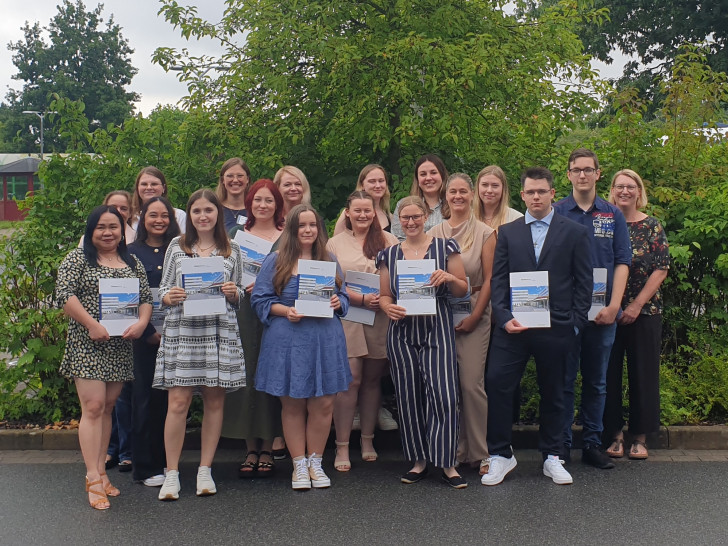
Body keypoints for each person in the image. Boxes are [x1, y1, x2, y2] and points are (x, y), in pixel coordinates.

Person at [481, 167, 592, 486]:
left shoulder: (573, 232)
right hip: (513, 327)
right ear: (522, 195)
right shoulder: (509, 232)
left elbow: (584, 283)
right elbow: (498, 280)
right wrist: (502, 317)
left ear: (552, 193)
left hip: (557, 328)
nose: (536, 197)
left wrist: (575, 324)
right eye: (530, 192)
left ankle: (553, 456)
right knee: (498, 384)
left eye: (542, 191)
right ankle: (501, 454)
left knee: (556, 392)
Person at [55, 205, 153, 509]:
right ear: (91, 230)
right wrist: (91, 324)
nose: (108, 232)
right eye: (101, 227)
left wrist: (140, 323)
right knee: (94, 407)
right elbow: (64, 294)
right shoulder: (77, 258)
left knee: (109, 407)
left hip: (120, 345)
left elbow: (146, 299)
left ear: (122, 230)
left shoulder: (130, 261)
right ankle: (92, 477)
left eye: (114, 227)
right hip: (88, 342)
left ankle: (101, 472)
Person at [153, 188, 246, 501]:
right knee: (178, 402)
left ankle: (205, 469)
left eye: (209, 210)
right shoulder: (177, 247)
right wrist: (168, 296)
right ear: (189, 216)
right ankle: (173, 473)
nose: (203, 216)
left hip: (219, 332)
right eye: (197, 211)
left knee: (214, 401)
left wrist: (234, 292)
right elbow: (163, 289)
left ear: (218, 213)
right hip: (183, 331)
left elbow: (240, 295)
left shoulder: (232, 249)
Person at [251, 204, 351, 490]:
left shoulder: (329, 258)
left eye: (313, 225)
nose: (308, 230)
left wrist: (337, 302)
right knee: (293, 403)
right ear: (291, 230)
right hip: (288, 338)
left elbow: (343, 297)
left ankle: (316, 462)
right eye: (301, 226)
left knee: (324, 403)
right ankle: (298, 465)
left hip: (325, 339)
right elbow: (260, 300)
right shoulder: (276, 259)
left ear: (320, 229)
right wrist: (285, 311)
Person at [377, 196, 469, 488]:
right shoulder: (388, 254)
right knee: (408, 395)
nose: (411, 222)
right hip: (402, 330)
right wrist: (386, 307)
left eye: (416, 216)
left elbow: (463, 288)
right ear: (399, 221)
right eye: (405, 218)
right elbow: (384, 295)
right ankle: (418, 461)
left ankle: (447, 462)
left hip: (437, 327)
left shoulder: (445, 247)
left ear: (426, 216)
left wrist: (449, 279)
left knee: (443, 394)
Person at [553, 148, 631, 469]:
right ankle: (562, 446)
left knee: (597, 382)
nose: (582, 175)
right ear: (568, 174)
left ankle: (592, 444)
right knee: (565, 380)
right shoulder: (556, 212)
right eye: (576, 170)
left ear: (599, 174)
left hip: (603, 314)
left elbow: (623, 262)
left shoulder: (612, 214)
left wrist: (615, 306)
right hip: (566, 314)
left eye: (588, 169)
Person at [429, 173, 496, 475]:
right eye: (452, 192)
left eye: (463, 192)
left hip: (474, 311)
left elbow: (491, 279)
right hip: (439, 314)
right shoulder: (434, 232)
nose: (457, 197)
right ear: (445, 196)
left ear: (472, 195)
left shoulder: (485, 232)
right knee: (446, 386)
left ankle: (480, 452)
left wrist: (475, 316)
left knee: (470, 384)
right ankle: (454, 448)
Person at [327, 191, 399, 471]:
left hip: (380, 318)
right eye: (356, 210)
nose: (362, 215)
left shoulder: (389, 240)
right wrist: (358, 298)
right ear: (347, 212)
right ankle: (342, 445)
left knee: (372, 381)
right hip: (349, 317)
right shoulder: (334, 243)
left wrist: (383, 298)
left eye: (367, 210)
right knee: (350, 381)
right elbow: (329, 283)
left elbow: (399, 276)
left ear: (375, 212)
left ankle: (367, 440)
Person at [603, 169, 669, 460]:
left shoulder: (652, 226)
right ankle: (614, 435)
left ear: (638, 192)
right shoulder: (604, 224)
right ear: (612, 190)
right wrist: (611, 306)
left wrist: (636, 305)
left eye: (631, 186)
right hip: (608, 312)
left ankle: (640, 437)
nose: (625, 191)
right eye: (620, 186)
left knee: (643, 374)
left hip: (644, 312)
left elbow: (661, 268)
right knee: (608, 375)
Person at [221, 179, 285, 477]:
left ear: (277, 205)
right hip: (242, 313)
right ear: (250, 203)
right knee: (244, 373)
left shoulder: (287, 237)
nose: (263, 205)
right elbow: (224, 272)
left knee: (271, 374)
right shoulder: (236, 235)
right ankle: (250, 447)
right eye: (257, 200)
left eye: (269, 200)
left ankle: (270, 447)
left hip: (275, 314)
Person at [127, 197, 181, 487]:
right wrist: (148, 332)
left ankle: (169, 464)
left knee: (170, 401)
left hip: (177, 335)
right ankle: (146, 467)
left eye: (164, 215)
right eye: (153, 215)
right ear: (143, 218)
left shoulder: (181, 249)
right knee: (145, 400)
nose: (159, 220)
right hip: (144, 337)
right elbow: (128, 295)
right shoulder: (130, 252)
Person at [390, 154, 450, 241]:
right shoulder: (403, 205)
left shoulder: (454, 204)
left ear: (442, 176)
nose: (428, 178)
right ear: (417, 179)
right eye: (423, 174)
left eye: (433, 173)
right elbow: (398, 239)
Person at [333, 164, 393, 234]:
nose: (378, 185)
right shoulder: (349, 214)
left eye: (381, 181)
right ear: (362, 185)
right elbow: (336, 242)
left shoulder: (389, 216)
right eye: (372, 181)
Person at [130, 166, 186, 234]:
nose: (149, 187)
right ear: (137, 188)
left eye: (154, 184)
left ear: (163, 188)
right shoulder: (130, 217)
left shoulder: (179, 216)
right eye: (144, 184)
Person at [475, 165, 523, 229]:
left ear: (503, 188)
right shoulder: (467, 218)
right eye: (485, 185)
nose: (489, 190)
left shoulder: (516, 219)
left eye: (495, 186)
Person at [216, 157, 252, 232]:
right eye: (230, 176)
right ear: (223, 180)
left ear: (247, 179)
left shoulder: (256, 210)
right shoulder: (215, 209)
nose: (235, 180)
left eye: (240, 176)